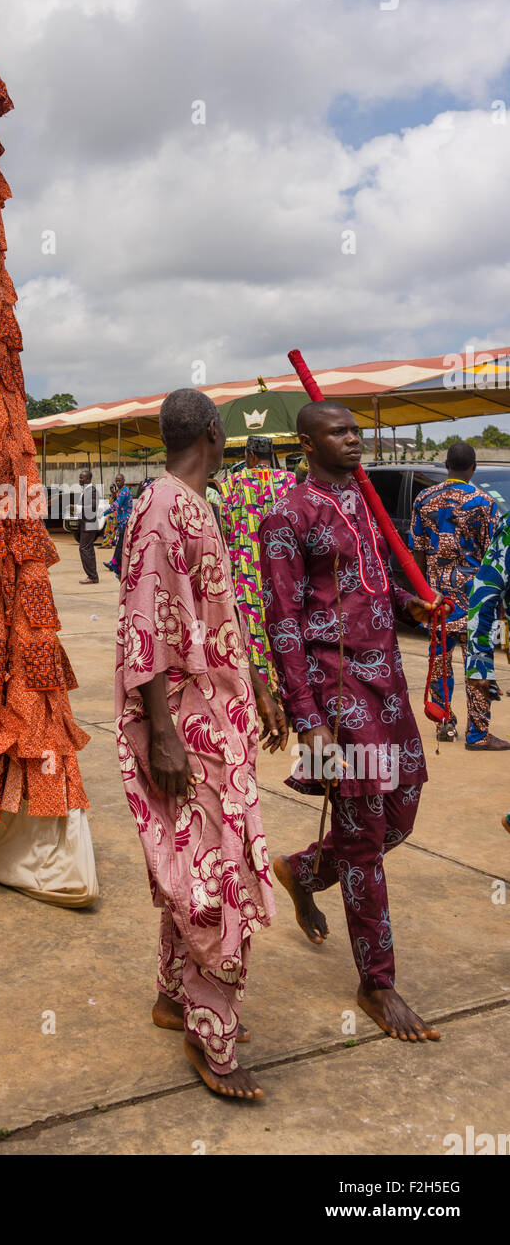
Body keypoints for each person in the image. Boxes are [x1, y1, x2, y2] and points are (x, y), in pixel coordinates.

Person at [115, 388, 286, 1101]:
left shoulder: (189, 503)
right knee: (220, 880)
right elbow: (142, 626)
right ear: (215, 434)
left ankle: (171, 995)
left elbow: (214, 612)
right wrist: (162, 733)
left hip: (213, 717)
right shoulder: (161, 508)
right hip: (187, 727)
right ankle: (211, 1035)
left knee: (192, 866)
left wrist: (259, 692)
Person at [261, 400, 442, 1043]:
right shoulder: (286, 515)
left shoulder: (362, 501)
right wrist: (305, 714)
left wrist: (412, 603)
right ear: (307, 443)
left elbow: (372, 584)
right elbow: (282, 619)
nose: (355, 441)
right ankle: (378, 983)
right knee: (363, 830)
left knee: (403, 811)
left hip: (388, 680)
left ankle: (304, 871)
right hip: (337, 691)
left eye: (357, 431)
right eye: (339, 432)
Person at [409, 441, 503, 749]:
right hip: (476, 603)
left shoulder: (424, 498)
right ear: (472, 468)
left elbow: (418, 550)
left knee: (439, 662)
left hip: (438, 603)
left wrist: (424, 592)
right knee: (478, 664)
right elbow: (494, 557)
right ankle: (478, 734)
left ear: (446, 466)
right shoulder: (484, 502)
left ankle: (443, 723)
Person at [221, 434, 295, 693]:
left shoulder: (232, 483)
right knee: (284, 622)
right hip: (285, 568)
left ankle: (259, 686)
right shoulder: (290, 481)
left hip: (248, 567)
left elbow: (226, 526)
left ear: (249, 455)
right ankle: (286, 682)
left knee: (252, 627)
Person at [465, 513, 510, 765]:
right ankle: (477, 734)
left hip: (444, 599)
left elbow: (484, 595)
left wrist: (479, 663)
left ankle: (473, 732)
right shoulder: (486, 506)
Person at [104, 473, 133, 579]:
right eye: (116, 480)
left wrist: (104, 513)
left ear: (124, 480)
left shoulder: (124, 491)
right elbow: (114, 501)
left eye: (119, 480)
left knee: (120, 545)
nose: (118, 482)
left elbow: (116, 505)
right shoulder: (119, 492)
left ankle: (115, 565)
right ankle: (114, 563)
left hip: (125, 522)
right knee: (120, 545)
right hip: (121, 522)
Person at [76, 468, 100, 585]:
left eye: (82, 477)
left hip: (89, 525)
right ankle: (92, 575)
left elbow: (93, 507)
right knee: (88, 549)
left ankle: (92, 576)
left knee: (84, 549)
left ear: (88, 479)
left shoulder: (92, 490)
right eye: (80, 477)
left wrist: (77, 508)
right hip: (85, 524)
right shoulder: (86, 490)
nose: (80, 479)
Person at [97, 484, 119, 549]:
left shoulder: (118, 495)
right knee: (107, 530)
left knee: (111, 530)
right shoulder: (111, 496)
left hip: (116, 515)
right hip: (111, 515)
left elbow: (116, 506)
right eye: (110, 488)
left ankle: (109, 544)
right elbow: (111, 506)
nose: (111, 489)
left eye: (112, 488)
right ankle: (105, 543)